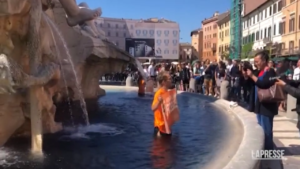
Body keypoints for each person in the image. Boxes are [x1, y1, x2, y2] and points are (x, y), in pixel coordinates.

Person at [246, 50, 277, 150]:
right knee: (261, 131)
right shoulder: (260, 72)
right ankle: (264, 151)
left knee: (267, 132)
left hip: (267, 106)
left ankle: (269, 154)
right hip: (259, 105)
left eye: (257, 61)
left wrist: (252, 76)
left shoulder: (270, 71)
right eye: (255, 61)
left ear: (264, 60)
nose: (256, 63)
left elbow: (264, 84)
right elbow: (252, 83)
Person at [151, 71, 172, 136]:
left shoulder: (167, 92)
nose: (171, 80)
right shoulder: (159, 93)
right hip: (160, 129)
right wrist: (159, 102)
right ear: (163, 82)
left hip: (167, 128)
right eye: (169, 79)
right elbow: (153, 108)